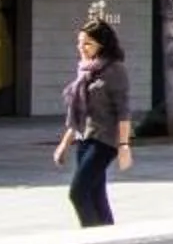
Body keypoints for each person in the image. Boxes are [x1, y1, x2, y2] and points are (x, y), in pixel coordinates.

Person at [53, 20, 134, 227]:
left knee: (78, 193)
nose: (81, 47)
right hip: (84, 139)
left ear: (102, 44)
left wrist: (124, 146)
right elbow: (78, 113)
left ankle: (91, 239)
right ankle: (110, 240)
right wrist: (64, 144)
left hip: (105, 141)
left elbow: (123, 111)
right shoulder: (85, 71)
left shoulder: (115, 70)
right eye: (80, 42)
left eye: (88, 43)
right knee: (96, 194)